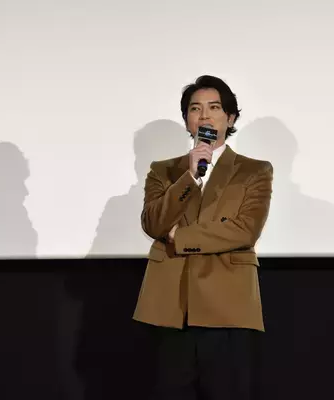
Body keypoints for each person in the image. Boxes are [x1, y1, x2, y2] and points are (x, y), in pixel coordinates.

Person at [132, 75, 273, 400]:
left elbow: (244, 230)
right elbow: (153, 222)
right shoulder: (164, 171)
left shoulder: (255, 171)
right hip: (171, 306)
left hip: (226, 307)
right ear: (187, 120)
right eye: (195, 109)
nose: (205, 116)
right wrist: (190, 176)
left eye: (214, 107)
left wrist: (179, 237)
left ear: (231, 118)